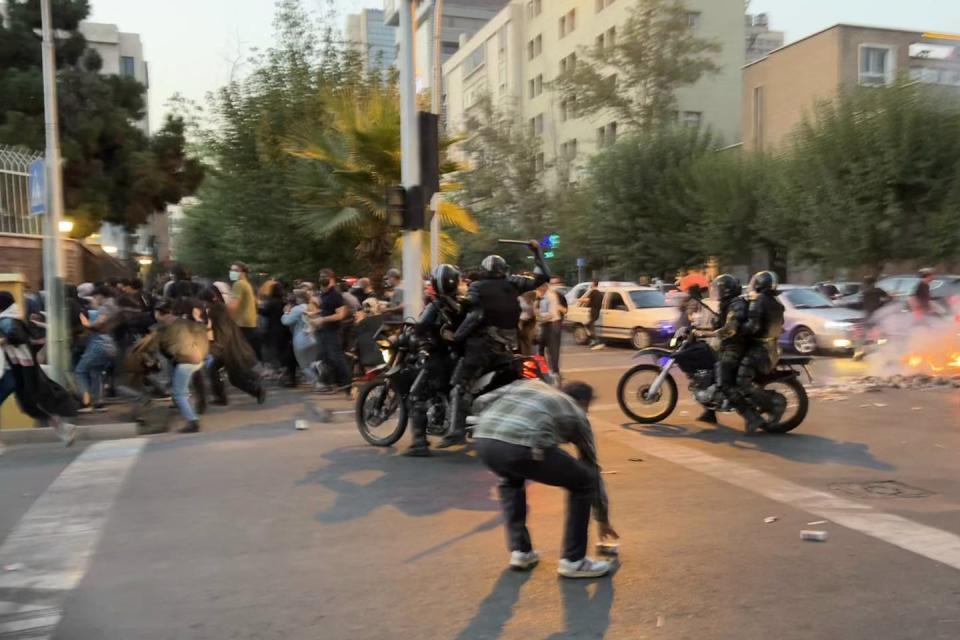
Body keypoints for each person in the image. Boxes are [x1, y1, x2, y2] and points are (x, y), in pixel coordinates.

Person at [473, 379, 618, 578]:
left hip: (484, 441)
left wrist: (487, 423)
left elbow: (482, 400)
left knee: (511, 479)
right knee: (583, 481)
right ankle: (574, 561)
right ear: (584, 403)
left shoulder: (530, 385)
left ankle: (521, 552)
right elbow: (591, 467)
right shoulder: (576, 413)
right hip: (523, 445)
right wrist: (602, 519)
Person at [446, 242, 550, 447]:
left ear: (484, 271)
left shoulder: (477, 287)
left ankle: (456, 431)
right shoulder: (513, 284)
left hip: (481, 349)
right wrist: (537, 253)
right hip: (507, 349)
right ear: (504, 270)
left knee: (459, 385)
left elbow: (473, 314)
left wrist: (457, 336)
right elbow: (543, 277)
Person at [0, 292, 78, 445]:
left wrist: (4, 340)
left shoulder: (6, 320)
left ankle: (64, 429)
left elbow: (17, 336)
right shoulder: (15, 317)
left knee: (31, 404)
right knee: (30, 405)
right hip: (20, 370)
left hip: (12, 371)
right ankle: (64, 429)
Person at [402, 264, 464, 457]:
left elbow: (419, 328)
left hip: (438, 359)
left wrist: (410, 337)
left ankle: (419, 443)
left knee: (416, 395)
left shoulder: (435, 306)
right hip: (459, 360)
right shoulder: (463, 304)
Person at [692, 274, 748, 426]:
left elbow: (730, 330)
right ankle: (710, 411)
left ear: (727, 290)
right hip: (727, 345)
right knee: (707, 371)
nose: (717, 292)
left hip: (735, 347)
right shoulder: (727, 304)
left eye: (720, 289)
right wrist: (696, 329)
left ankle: (751, 416)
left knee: (722, 377)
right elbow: (718, 326)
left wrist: (707, 333)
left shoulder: (736, 305)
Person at [735, 271, 787, 435]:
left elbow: (752, 327)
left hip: (759, 350)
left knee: (741, 381)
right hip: (771, 349)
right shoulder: (777, 304)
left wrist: (737, 329)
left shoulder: (759, 301)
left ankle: (771, 406)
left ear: (759, 284)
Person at [200, 286, 266, 405]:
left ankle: (256, 389)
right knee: (224, 374)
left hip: (228, 349)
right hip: (230, 348)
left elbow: (223, 332)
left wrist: (216, 348)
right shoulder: (219, 308)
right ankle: (254, 389)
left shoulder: (216, 311)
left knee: (232, 377)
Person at [154, 300, 209, 433]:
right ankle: (192, 414)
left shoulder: (163, 328)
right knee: (184, 391)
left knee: (178, 394)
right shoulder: (184, 321)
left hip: (185, 361)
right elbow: (202, 331)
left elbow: (163, 349)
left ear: (158, 313)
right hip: (198, 358)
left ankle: (192, 421)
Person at [74, 285, 119, 412]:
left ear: (100, 296)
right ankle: (98, 401)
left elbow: (100, 322)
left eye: (95, 297)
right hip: (110, 344)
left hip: (99, 344)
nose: (93, 299)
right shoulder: (114, 305)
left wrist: (86, 324)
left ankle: (86, 401)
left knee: (80, 371)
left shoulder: (106, 307)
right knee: (96, 371)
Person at [309, 268, 351, 391]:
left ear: (331, 278)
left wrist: (323, 319)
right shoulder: (324, 294)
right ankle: (328, 383)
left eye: (324, 276)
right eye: (320, 276)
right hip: (322, 331)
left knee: (336, 358)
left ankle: (346, 384)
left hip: (332, 331)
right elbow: (326, 309)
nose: (322, 278)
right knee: (323, 359)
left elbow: (341, 314)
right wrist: (315, 314)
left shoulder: (335, 294)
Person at [282, 289, 319, 386]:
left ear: (299, 299)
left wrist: (286, 312)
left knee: (304, 365)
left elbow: (286, 321)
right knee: (313, 362)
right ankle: (321, 377)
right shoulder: (312, 307)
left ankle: (316, 381)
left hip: (301, 339)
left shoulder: (297, 309)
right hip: (314, 338)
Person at [853, 275, 892, 361]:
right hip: (878, 316)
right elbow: (890, 298)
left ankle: (859, 352)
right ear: (875, 283)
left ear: (866, 283)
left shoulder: (864, 292)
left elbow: (860, 304)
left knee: (863, 335)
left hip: (868, 316)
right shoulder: (878, 291)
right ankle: (883, 353)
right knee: (882, 334)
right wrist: (883, 304)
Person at [227, 261, 260, 358]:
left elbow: (232, 306)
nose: (232, 272)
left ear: (243, 272)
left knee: (238, 352)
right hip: (250, 323)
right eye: (231, 270)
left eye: (235, 270)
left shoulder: (239, 284)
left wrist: (226, 320)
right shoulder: (247, 284)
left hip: (241, 323)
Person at [536, 280, 564, 377]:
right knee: (541, 349)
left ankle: (554, 372)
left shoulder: (549, 297)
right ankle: (546, 371)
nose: (537, 289)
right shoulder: (544, 296)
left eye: (538, 287)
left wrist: (538, 318)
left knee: (552, 351)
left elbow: (550, 314)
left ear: (544, 287)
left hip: (552, 324)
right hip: (547, 324)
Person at [578, 280, 604, 349]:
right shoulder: (600, 293)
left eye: (591, 284)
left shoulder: (593, 292)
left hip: (593, 312)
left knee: (589, 326)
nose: (591, 285)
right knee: (589, 325)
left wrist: (579, 300)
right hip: (597, 312)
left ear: (593, 284)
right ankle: (593, 341)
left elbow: (587, 300)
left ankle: (597, 341)